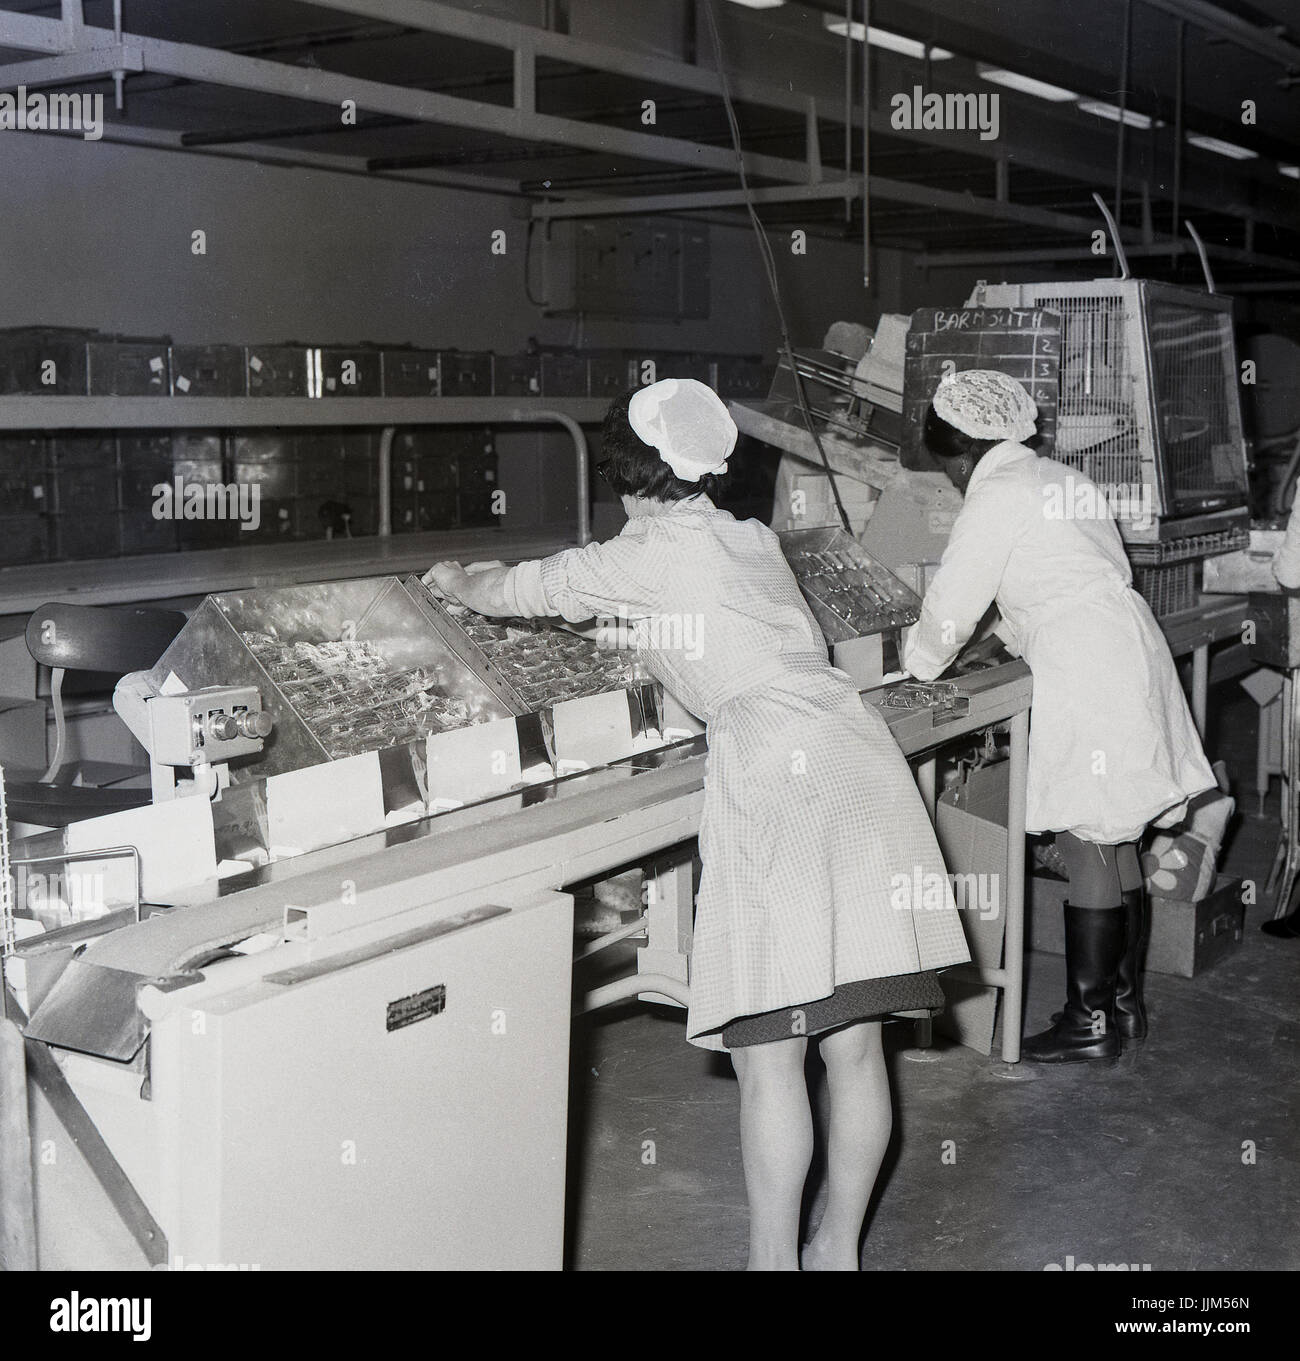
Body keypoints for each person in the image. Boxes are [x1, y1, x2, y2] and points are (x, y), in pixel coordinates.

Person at [427, 379, 969, 1271]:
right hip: (858, 754)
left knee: (771, 1053)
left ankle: (771, 1263)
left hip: (777, 772)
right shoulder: (749, 537)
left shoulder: (643, 550)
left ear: (627, 474)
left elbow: (526, 586)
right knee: (856, 1043)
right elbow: (713, 628)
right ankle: (835, 1251)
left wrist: (455, 580)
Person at [903, 369, 1217, 1063]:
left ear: (960, 453)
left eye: (948, 467)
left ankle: (1089, 1024)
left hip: (1086, 665)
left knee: (1086, 839)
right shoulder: (1059, 478)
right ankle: (1123, 1004)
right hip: (1124, 644)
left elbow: (951, 605)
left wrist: (917, 663)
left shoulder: (996, 494)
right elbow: (1062, 577)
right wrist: (1000, 639)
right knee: (1116, 835)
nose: (953, 480)